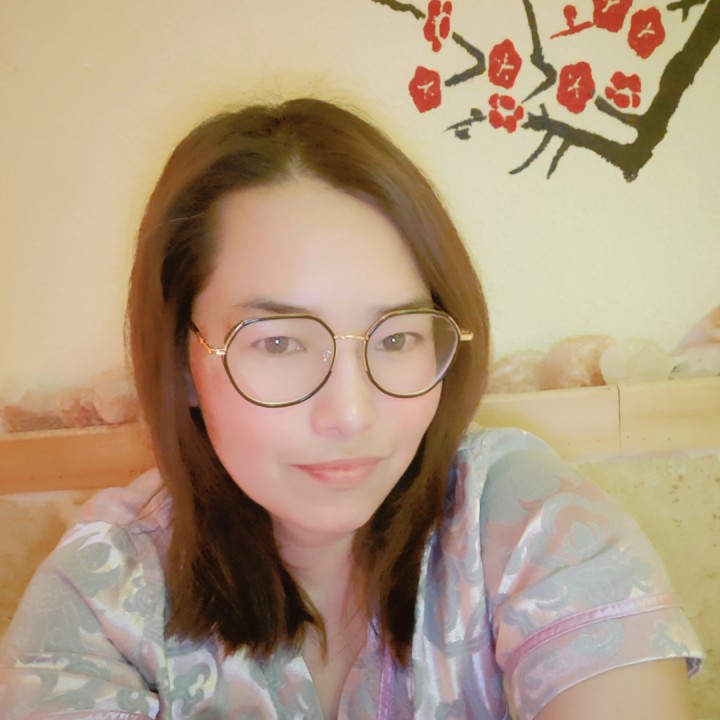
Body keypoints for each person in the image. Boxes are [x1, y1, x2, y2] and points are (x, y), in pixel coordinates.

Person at [0, 98, 702, 719]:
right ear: (183, 361)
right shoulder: (104, 594)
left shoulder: (525, 521)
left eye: (396, 338)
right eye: (278, 342)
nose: (350, 413)